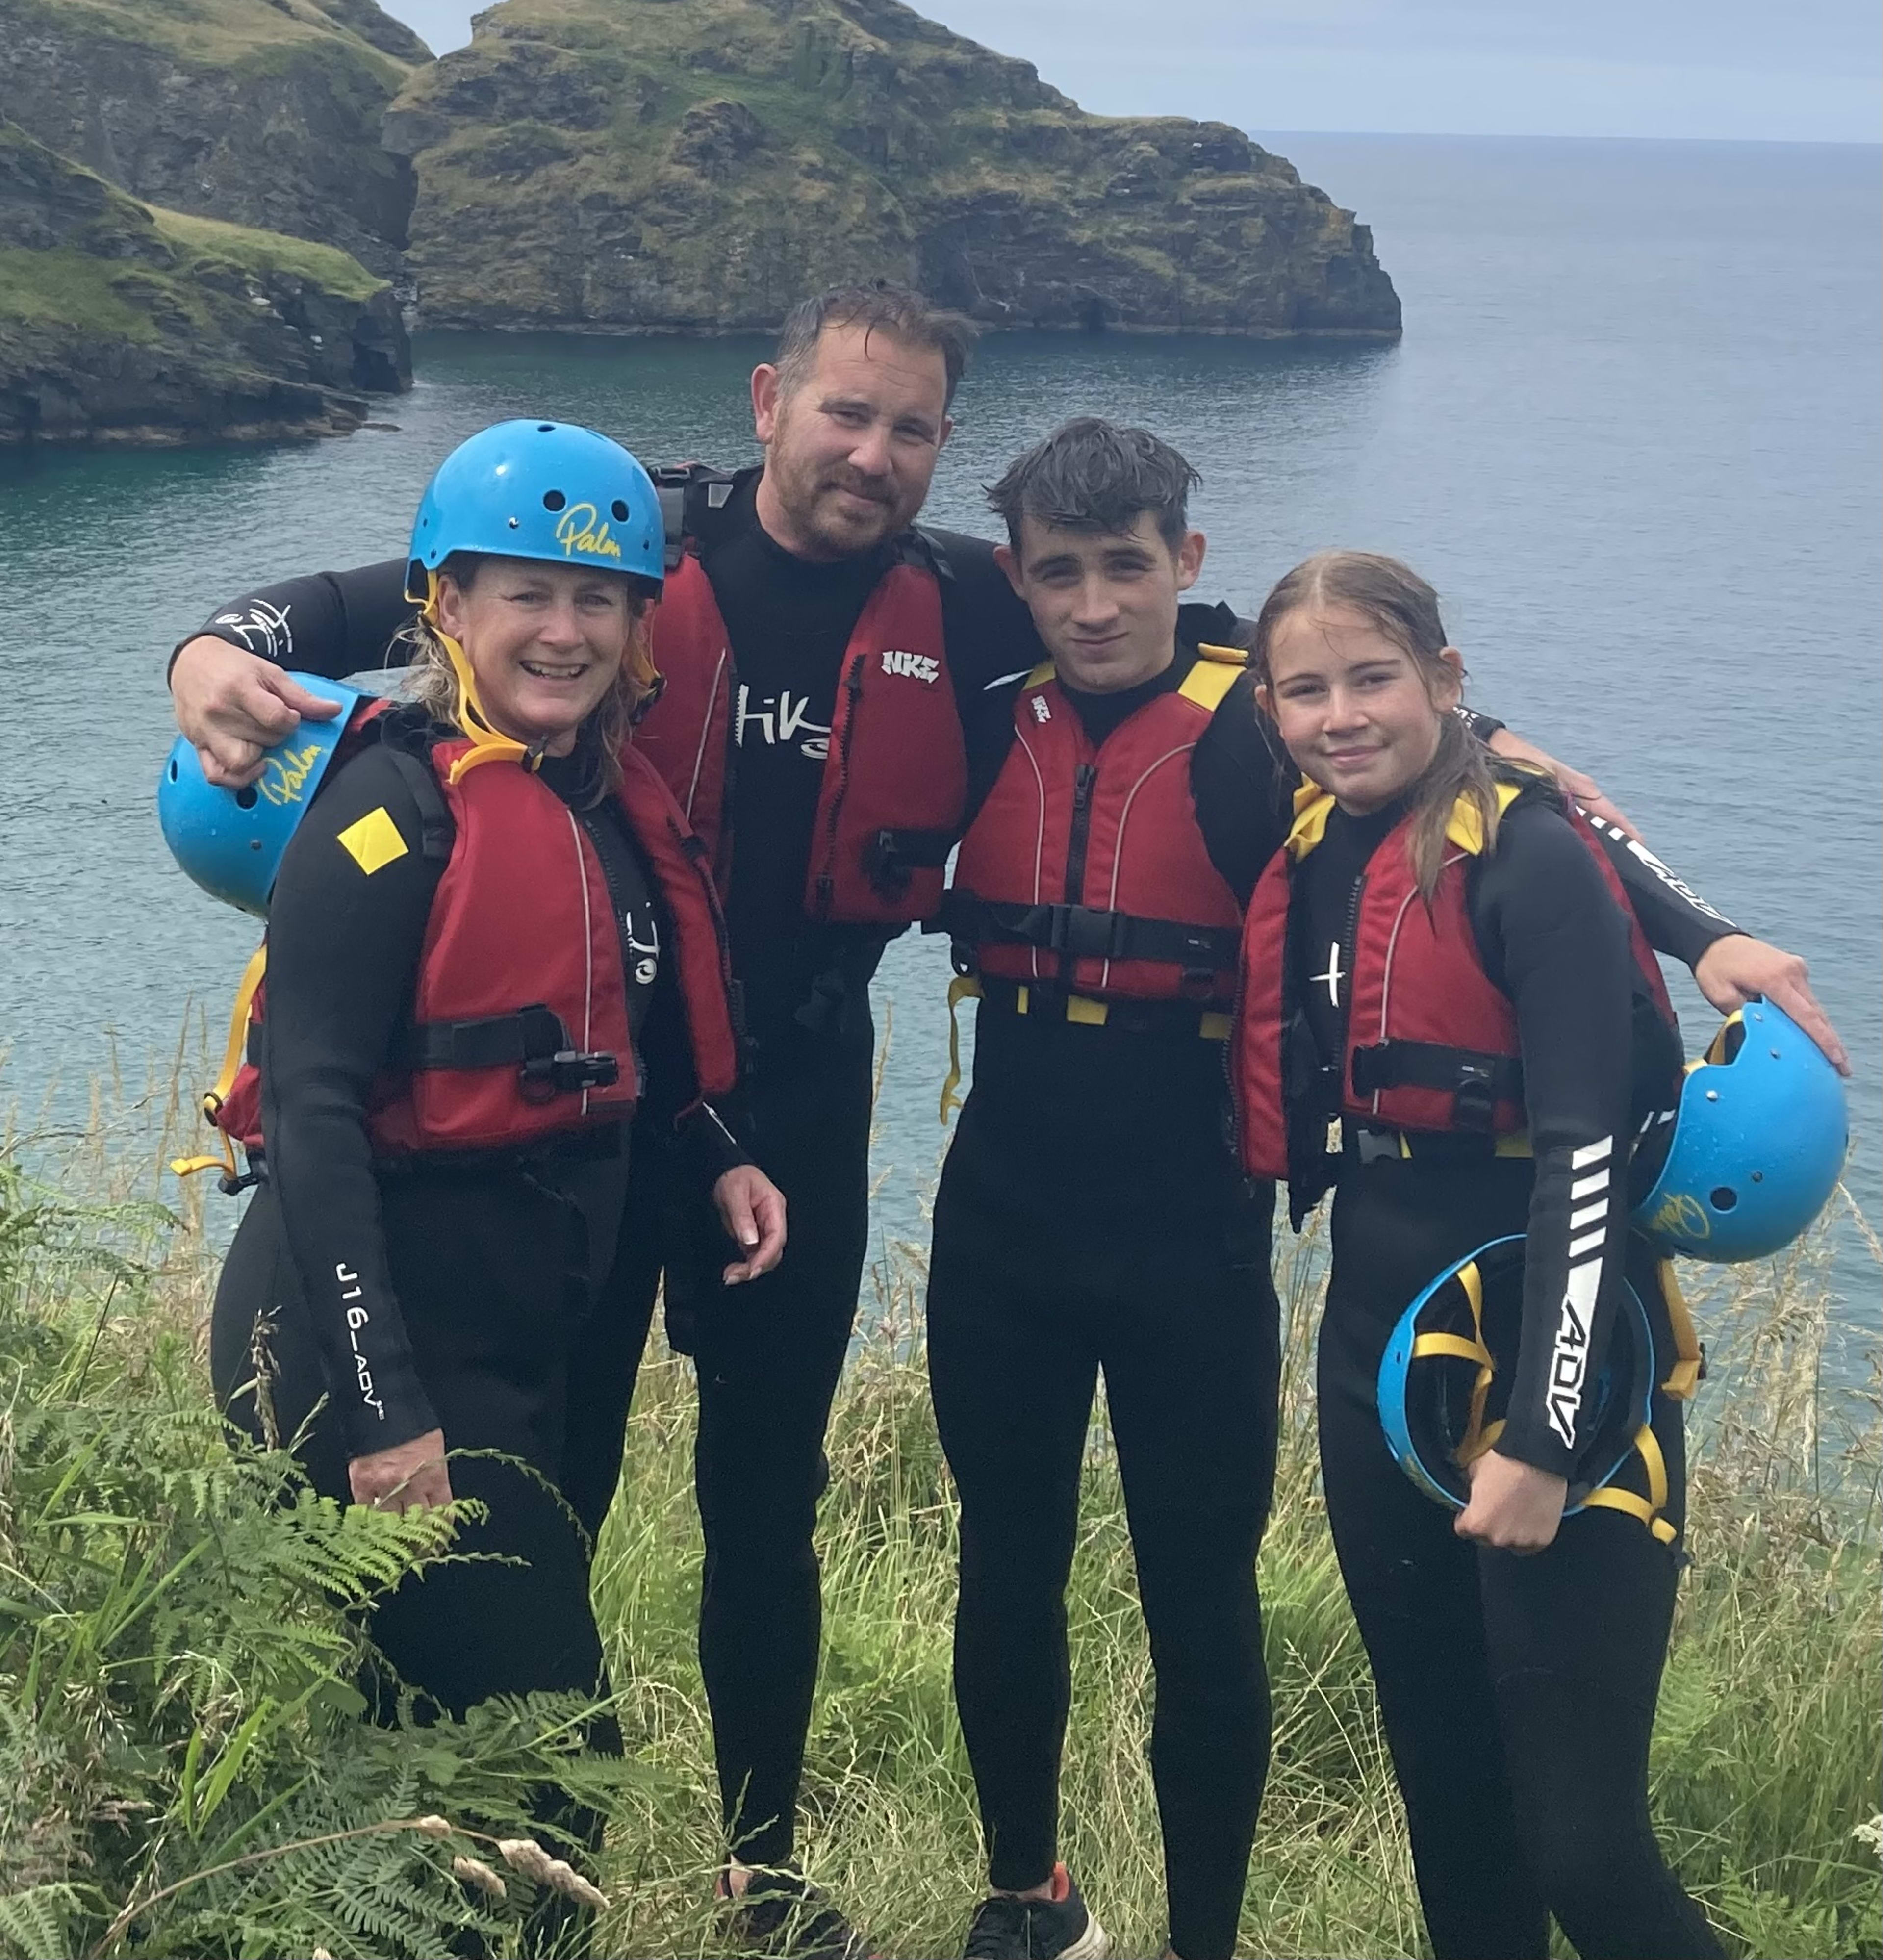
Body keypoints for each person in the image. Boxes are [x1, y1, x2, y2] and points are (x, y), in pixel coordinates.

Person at [163, 296, 1842, 1951]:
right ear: (770, 403)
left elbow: (1420, 736)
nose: (871, 453)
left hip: (833, 1123)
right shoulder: (626, 555)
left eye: (909, 430)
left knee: (789, 1506)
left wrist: (1697, 930)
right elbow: (361, 599)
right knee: (564, 1508)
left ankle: (784, 1881)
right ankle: (530, 1843)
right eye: (846, 413)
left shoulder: (1042, 624)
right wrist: (208, 644)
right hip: (639, 1129)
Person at [925, 427, 1828, 1960]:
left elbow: (1520, 780)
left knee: (1546, 1825)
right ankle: (1034, 1900)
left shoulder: (1304, 746)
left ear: (1184, 566)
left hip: (1282, 1270)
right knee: (1035, 1584)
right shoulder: (1005, 711)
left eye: (1126, 567)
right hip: (1110, 1248)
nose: (1091, 604)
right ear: (1016, 579)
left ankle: (1200, 1940)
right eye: (1057, 574)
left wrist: (1703, 930)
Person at [202, 420, 785, 1931]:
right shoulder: (391, 807)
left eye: (599, 601)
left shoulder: (604, 801)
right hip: (373, 1347)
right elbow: (315, 1117)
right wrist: (391, 1421)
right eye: (525, 593)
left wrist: (710, 1154)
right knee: (551, 1778)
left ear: (638, 624)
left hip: (531, 1345)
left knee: (441, 1770)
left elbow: (614, 1043)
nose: (565, 631)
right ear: (445, 609)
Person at [1232, 548, 1751, 1960]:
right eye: (1308, 691)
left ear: (1447, 682)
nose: (1341, 715)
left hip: (1568, 1379)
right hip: (1378, 1371)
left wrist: (1542, 1429)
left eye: (1375, 681)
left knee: (1582, 1850)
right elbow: (1181, 630)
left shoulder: (1533, 861)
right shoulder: (1322, 836)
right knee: (1452, 1808)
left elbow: (1585, 1154)